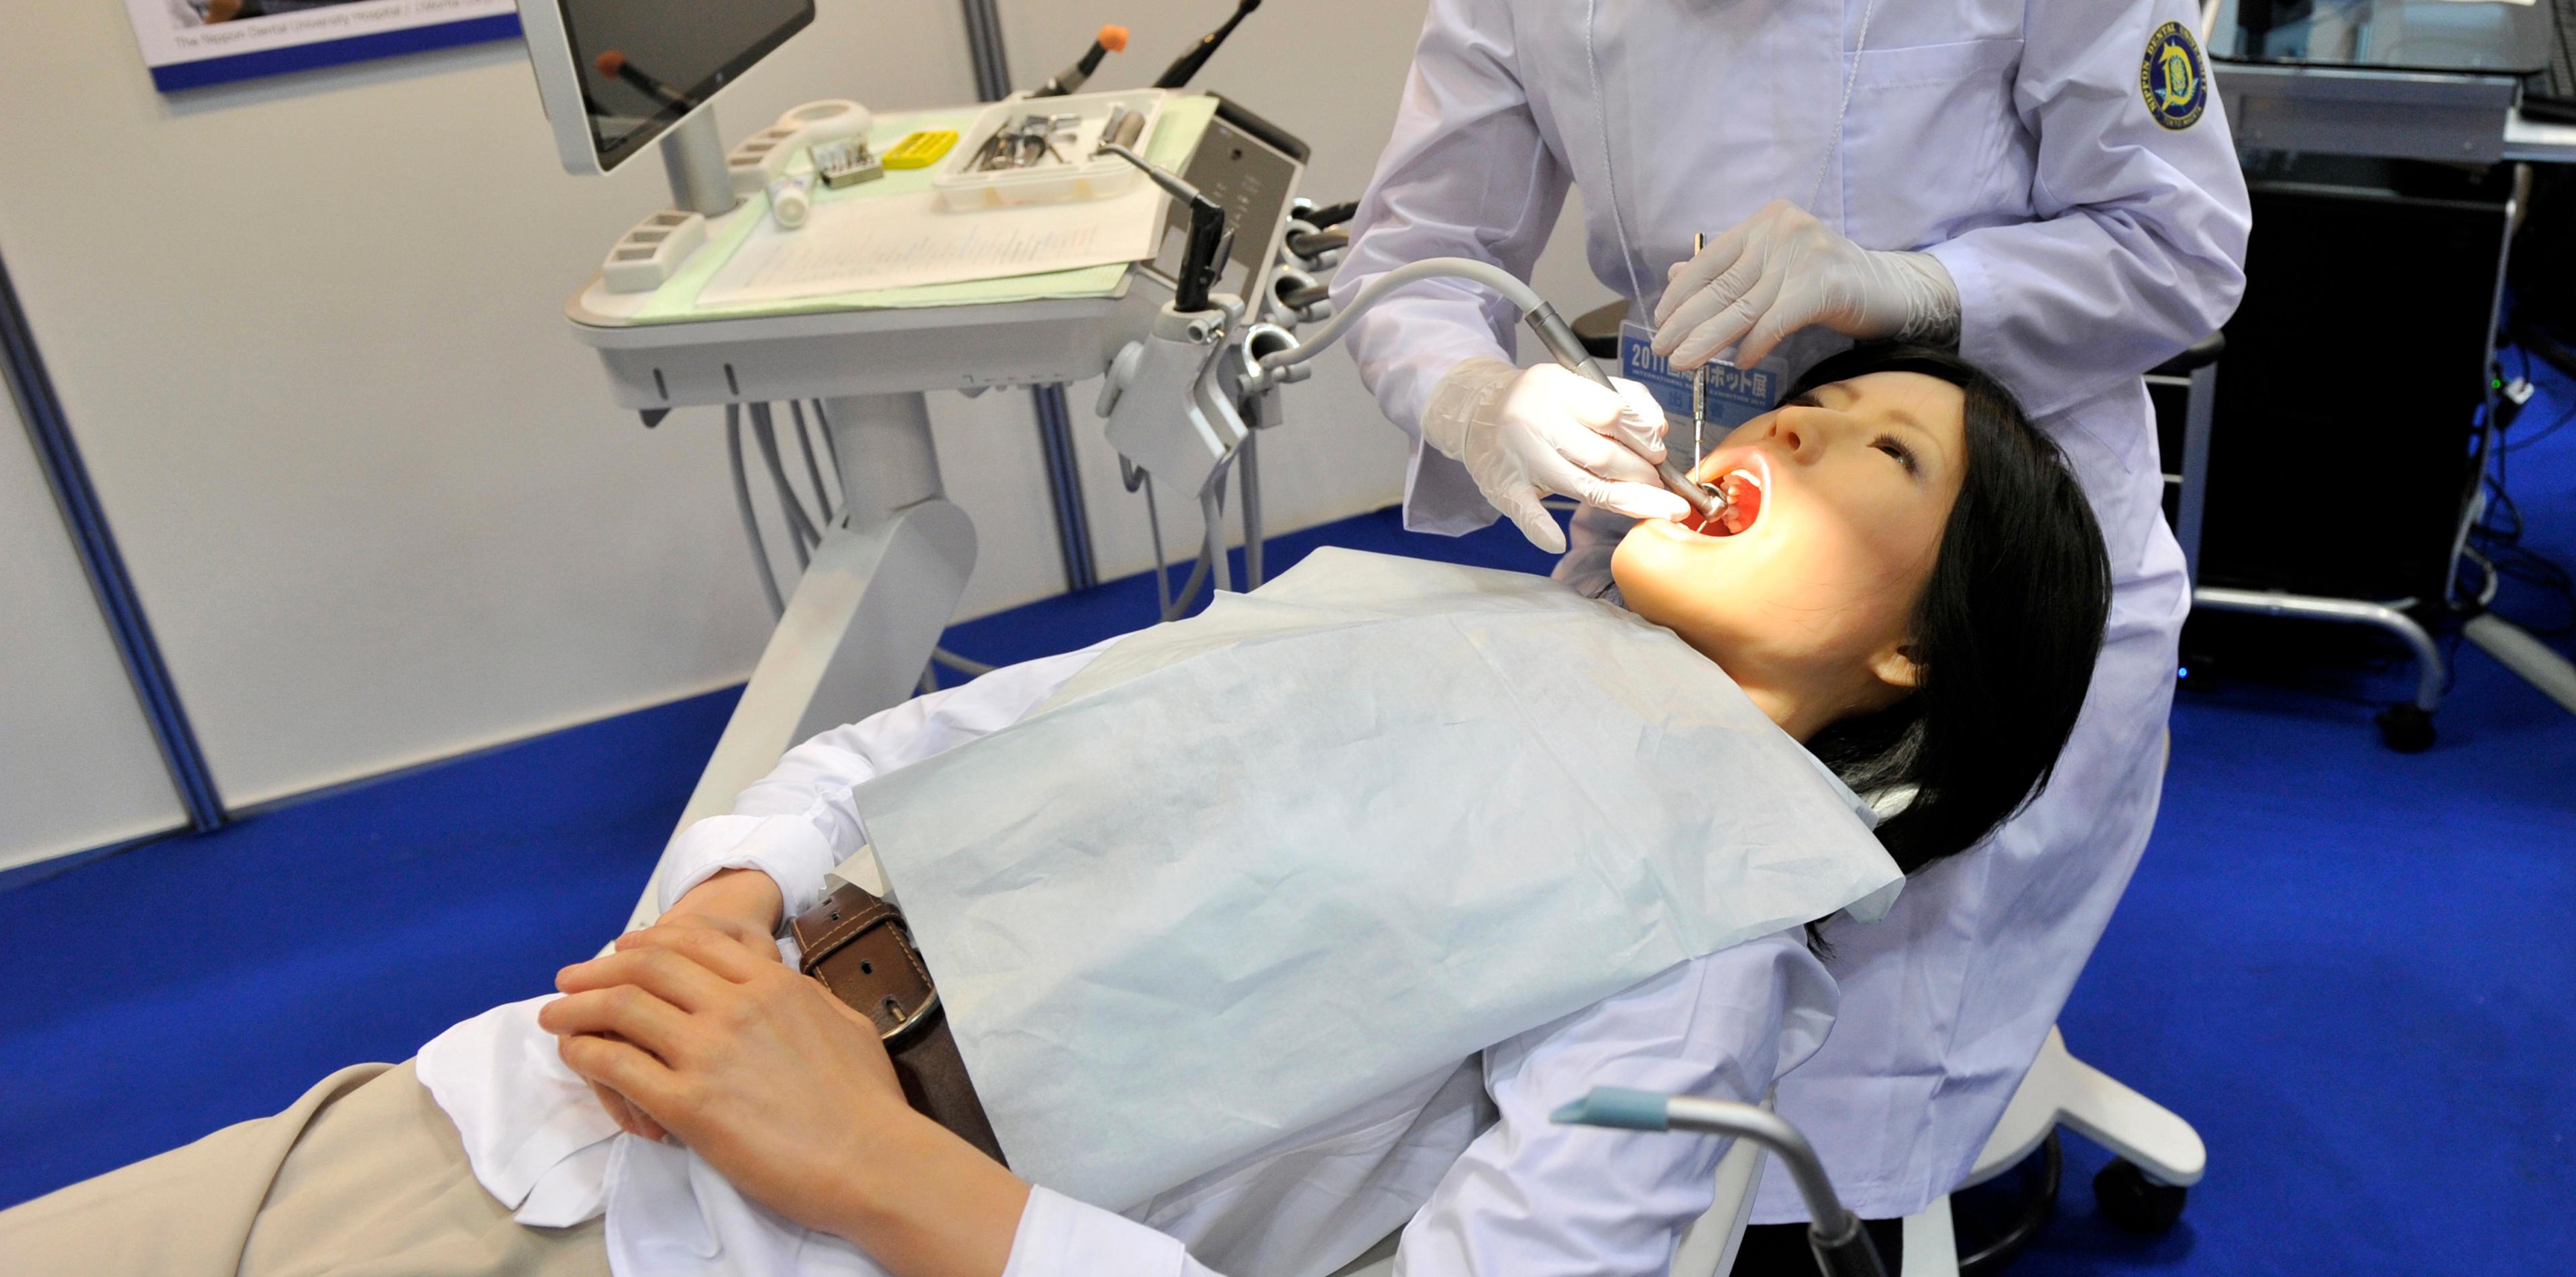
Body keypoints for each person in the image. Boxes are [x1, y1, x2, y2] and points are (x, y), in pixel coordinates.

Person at [0, 346, 2113, 1276]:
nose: (1794, 423)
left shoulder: (1695, 955)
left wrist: (870, 1164)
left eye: (1874, 456)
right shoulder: (1396, 614)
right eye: (1811, 400)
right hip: (495, 1114)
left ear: (1918, 656)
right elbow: (891, 757)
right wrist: (731, 898)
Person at [1330, 0, 2251, 1247]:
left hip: (1983, 564)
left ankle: (1861, 1214)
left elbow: (2181, 247)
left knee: (1875, 1060)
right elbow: (1408, 262)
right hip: (1699, 525)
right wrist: (1475, 395)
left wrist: (1912, 288)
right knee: (1645, 999)